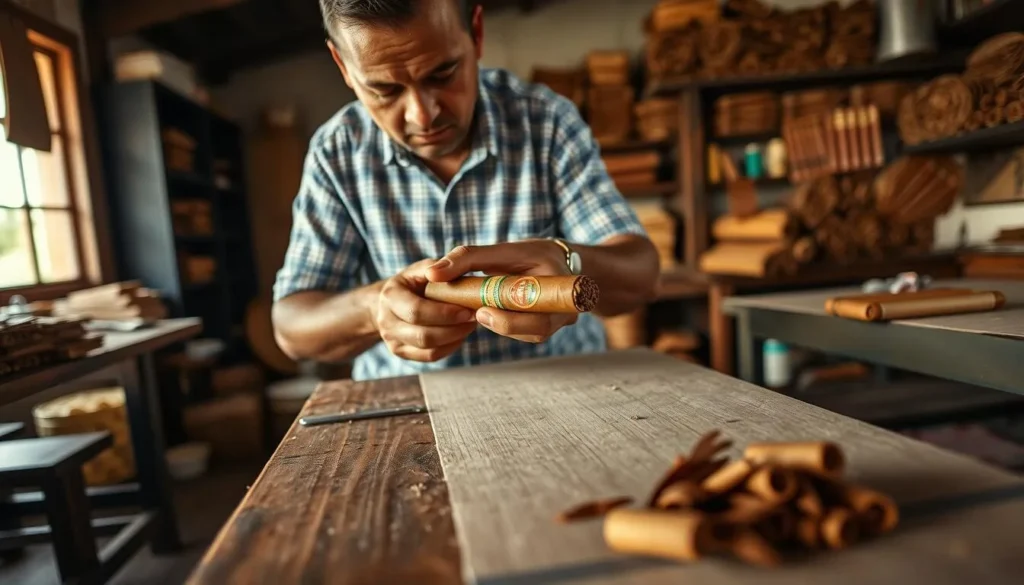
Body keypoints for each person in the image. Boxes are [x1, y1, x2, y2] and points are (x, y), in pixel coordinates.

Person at [271, 0, 661, 381]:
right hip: (409, 405)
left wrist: (568, 258)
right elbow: (291, 328)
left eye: (442, 74)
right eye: (385, 91)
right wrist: (377, 308)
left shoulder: (545, 121)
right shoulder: (337, 152)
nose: (422, 116)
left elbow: (641, 274)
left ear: (476, 33)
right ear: (343, 65)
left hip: (562, 384)